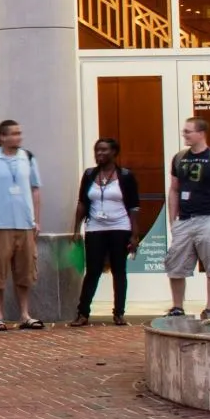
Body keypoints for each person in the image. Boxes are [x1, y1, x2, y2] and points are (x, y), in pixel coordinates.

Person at [0, 118, 45, 331]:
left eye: (19, 133)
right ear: (2, 137)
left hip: (24, 224)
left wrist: (36, 221)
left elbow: (36, 189)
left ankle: (24, 315)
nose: (17, 137)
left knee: (25, 271)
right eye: (13, 133)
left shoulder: (28, 158)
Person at [164, 115, 210, 318]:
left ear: (201, 133)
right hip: (185, 220)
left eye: (188, 131)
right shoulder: (179, 158)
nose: (185, 135)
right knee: (176, 265)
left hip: (209, 219)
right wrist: (173, 221)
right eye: (184, 131)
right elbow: (174, 189)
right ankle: (177, 307)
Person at [71, 136, 139, 326]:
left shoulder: (125, 176)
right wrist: (76, 228)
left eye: (104, 150)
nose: (100, 154)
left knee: (119, 271)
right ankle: (82, 313)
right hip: (95, 228)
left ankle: (119, 313)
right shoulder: (89, 175)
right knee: (93, 271)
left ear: (114, 153)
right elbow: (82, 202)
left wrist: (134, 235)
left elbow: (134, 207)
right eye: (97, 150)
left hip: (120, 227)